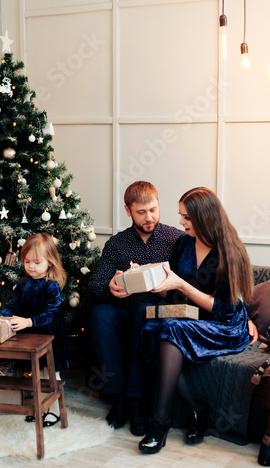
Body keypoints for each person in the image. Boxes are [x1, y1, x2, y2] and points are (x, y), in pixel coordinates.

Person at [137, 187, 255, 454]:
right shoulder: (184, 243)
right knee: (149, 329)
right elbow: (176, 290)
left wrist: (182, 285)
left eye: (187, 217)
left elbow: (223, 310)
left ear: (205, 217)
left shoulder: (230, 252)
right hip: (192, 316)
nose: (181, 223)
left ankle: (159, 420)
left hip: (225, 325)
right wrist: (155, 282)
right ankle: (195, 407)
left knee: (168, 328)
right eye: (181, 216)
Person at [86, 181, 184, 436]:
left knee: (144, 309)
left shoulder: (176, 239)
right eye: (141, 212)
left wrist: (160, 286)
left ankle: (135, 399)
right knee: (100, 313)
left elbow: (186, 290)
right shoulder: (117, 244)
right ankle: (118, 396)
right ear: (129, 211)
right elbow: (94, 287)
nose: (149, 217)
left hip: (157, 316)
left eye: (153, 209)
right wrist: (112, 285)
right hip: (124, 313)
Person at [0, 233, 71, 427]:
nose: (31, 266)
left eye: (37, 262)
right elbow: (13, 307)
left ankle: (54, 411)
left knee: (51, 375)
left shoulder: (52, 286)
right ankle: (39, 408)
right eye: (27, 261)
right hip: (33, 339)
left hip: (50, 338)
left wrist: (28, 322)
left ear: (50, 262)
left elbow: (50, 314)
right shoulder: (23, 284)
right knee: (36, 374)